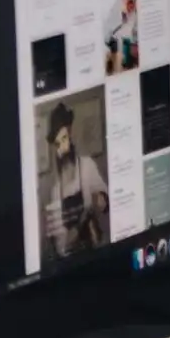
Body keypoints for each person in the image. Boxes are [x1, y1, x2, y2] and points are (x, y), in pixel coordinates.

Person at [41, 104, 109, 260]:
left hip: (96, 251)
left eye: (64, 139)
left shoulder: (87, 165)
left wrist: (101, 199)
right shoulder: (55, 190)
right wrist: (68, 239)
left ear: (70, 134)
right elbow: (60, 245)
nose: (62, 148)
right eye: (58, 144)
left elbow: (106, 202)